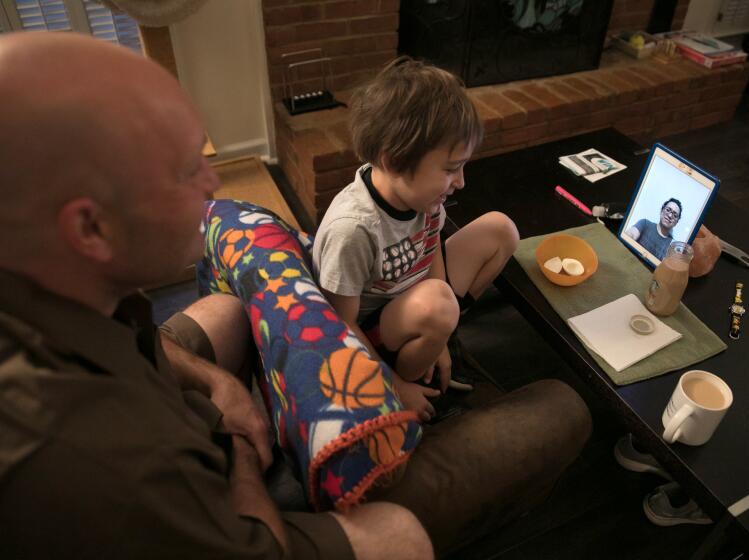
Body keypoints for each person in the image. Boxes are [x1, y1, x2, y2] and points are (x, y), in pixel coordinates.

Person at [0, 33, 593, 558]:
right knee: (557, 414)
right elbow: (254, 546)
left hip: (178, 405)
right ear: (89, 228)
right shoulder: (74, 454)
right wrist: (236, 438)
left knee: (231, 309)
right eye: (185, 173)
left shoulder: (62, 301)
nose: (215, 185)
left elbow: (143, 342)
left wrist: (217, 382)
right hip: (235, 516)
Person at [312, 58, 520, 421]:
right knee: (439, 304)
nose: (461, 182)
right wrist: (394, 385)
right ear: (393, 162)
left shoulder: (423, 197)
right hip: (375, 331)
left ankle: (438, 339)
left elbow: (432, 248)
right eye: (451, 169)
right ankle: (413, 375)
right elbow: (339, 326)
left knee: (501, 231)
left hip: (417, 297)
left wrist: (441, 335)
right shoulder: (354, 229)